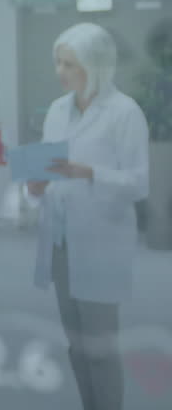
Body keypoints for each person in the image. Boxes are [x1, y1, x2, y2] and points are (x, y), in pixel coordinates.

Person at [24, 22, 150, 410]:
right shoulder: (58, 110)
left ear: (95, 66)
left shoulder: (125, 112)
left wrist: (89, 172)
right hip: (61, 240)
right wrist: (36, 184)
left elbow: (138, 182)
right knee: (76, 344)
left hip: (100, 243)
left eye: (70, 64)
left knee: (100, 346)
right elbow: (46, 167)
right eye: (58, 62)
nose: (60, 72)